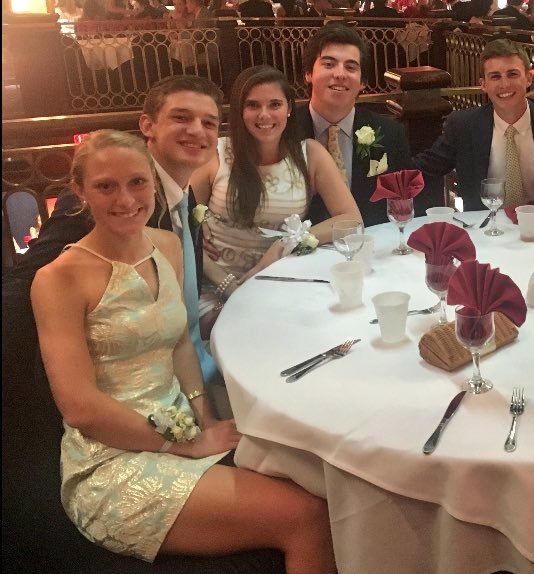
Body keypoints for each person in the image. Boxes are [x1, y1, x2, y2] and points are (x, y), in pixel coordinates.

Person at [30, 130, 337, 570]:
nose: (126, 199)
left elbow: (178, 345)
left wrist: (206, 421)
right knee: (309, 515)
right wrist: (181, 447)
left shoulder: (168, 246)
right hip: (114, 459)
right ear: (79, 191)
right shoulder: (59, 279)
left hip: (182, 425)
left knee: (322, 472)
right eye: (105, 186)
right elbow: (81, 408)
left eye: (137, 182)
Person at [5, 76, 226, 402]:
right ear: (147, 125)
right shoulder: (110, 201)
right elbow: (28, 279)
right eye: (181, 117)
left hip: (185, 362)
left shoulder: (182, 191)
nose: (196, 130)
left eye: (208, 122)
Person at [190, 65, 360, 323]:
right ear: (239, 110)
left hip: (281, 284)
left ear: (289, 108)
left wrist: (287, 243)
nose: (264, 115)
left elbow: (351, 220)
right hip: (215, 289)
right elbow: (183, 229)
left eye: (275, 104)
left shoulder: (309, 155)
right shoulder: (216, 154)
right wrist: (230, 288)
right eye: (253, 105)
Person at [412, 39, 534, 211]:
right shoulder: (463, 126)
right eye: (495, 76)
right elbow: (425, 169)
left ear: (528, 78)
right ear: (483, 84)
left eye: (512, 74)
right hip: (487, 230)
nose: (504, 84)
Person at [295, 24, 413, 226]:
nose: (340, 74)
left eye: (351, 67)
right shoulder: (285, 133)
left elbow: (403, 204)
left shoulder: (390, 133)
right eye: (329, 64)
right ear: (308, 74)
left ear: (362, 82)